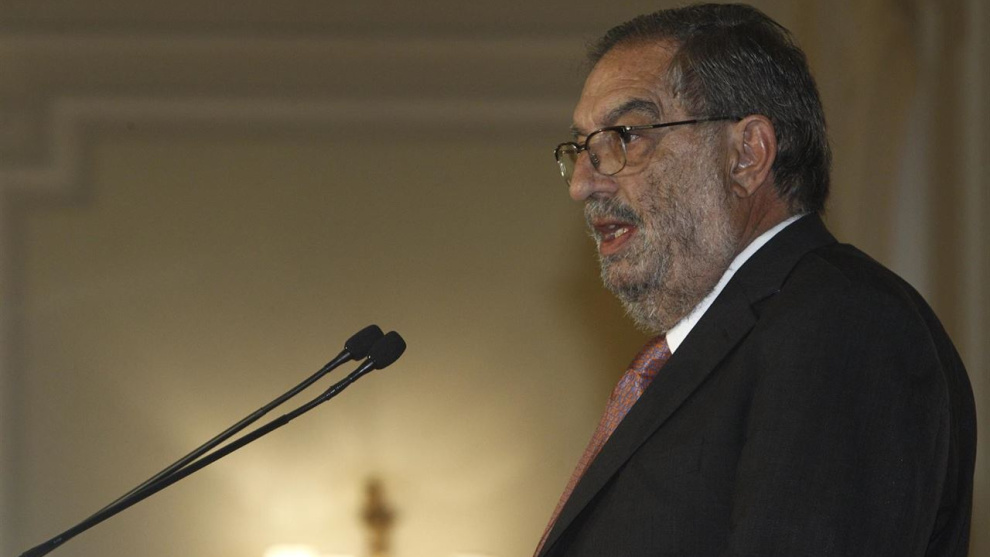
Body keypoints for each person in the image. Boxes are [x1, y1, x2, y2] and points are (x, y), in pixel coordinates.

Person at [536, 4, 977, 557]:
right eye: (582, 147)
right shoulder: (731, 347)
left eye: (626, 135)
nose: (582, 184)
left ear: (747, 155)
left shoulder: (841, 323)